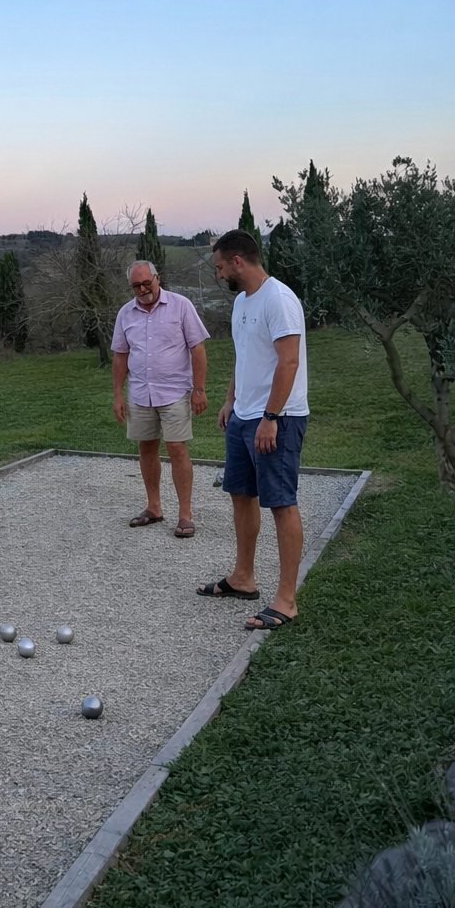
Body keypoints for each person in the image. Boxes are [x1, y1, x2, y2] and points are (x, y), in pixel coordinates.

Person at [197, 230, 309, 631]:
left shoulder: (278, 299)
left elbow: (289, 363)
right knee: (240, 495)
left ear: (237, 262)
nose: (219, 274)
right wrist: (231, 400)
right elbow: (244, 357)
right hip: (244, 415)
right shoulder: (243, 302)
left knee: (281, 503)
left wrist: (271, 417)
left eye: (220, 267)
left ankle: (286, 600)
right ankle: (243, 578)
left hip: (278, 418)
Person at [112, 261, 210, 537]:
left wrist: (199, 389)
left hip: (175, 391)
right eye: (136, 285)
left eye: (147, 283)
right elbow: (120, 355)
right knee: (146, 447)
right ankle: (153, 507)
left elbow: (197, 348)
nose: (143, 289)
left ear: (157, 278)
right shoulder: (125, 313)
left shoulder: (181, 305)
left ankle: (185, 515)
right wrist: (118, 394)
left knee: (177, 447)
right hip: (141, 393)